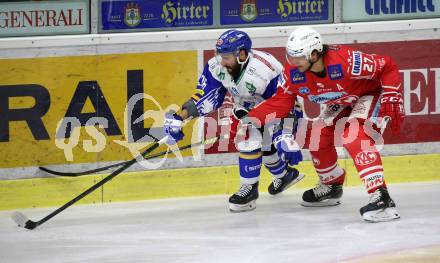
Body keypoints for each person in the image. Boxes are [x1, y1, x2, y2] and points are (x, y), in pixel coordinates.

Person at [246, 27, 404, 222]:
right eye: (290, 56)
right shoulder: (292, 74)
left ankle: (382, 197)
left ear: (314, 53)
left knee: (354, 135)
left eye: (298, 57)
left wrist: (391, 94)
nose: (293, 62)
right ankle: (331, 185)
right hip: (343, 100)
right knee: (317, 135)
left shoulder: (347, 61)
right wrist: (250, 119)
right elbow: (280, 102)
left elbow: (387, 65)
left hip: (369, 94)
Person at [163, 29, 304, 212]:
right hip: (248, 110)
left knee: (255, 141)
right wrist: (179, 118)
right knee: (260, 146)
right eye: (220, 55)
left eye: (227, 56)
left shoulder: (266, 70)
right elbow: (207, 95)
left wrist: (284, 134)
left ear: (242, 54)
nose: (222, 61)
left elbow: (285, 103)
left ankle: (250, 190)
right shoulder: (217, 66)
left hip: (282, 111)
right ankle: (284, 176)